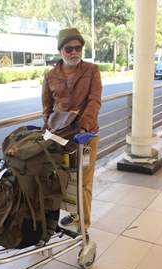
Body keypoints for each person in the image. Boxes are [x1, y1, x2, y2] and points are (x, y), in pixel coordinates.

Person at [42, 27, 102, 236]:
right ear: (61, 51)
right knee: (61, 180)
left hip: (85, 137)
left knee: (83, 183)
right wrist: (46, 132)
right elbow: (47, 109)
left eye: (78, 48)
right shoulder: (50, 76)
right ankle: (64, 218)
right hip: (59, 138)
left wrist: (84, 128)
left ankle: (82, 226)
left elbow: (94, 101)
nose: (74, 52)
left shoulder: (92, 70)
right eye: (69, 49)